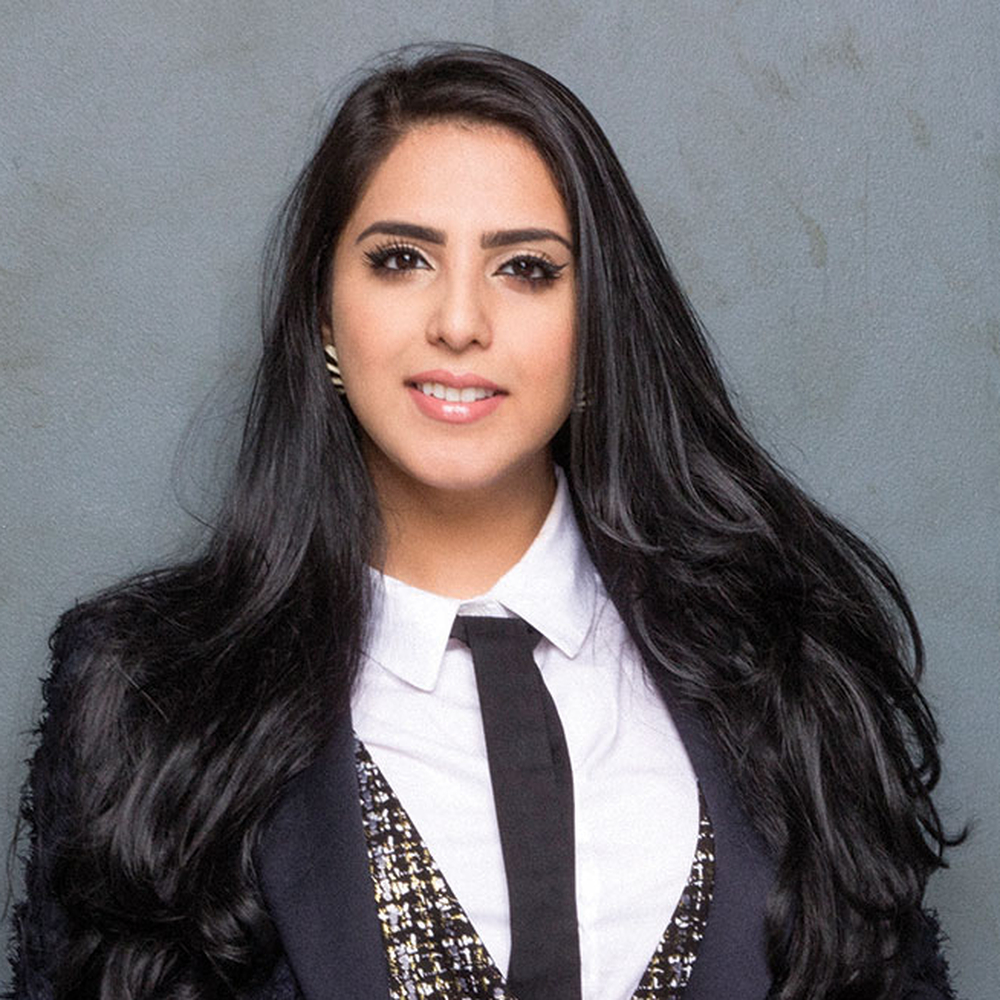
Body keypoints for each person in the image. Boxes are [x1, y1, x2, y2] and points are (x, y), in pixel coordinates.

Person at [8, 44, 959, 1000]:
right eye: (401, 260)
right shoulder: (150, 691)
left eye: (527, 269)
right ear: (324, 316)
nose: (459, 321)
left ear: (598, 323)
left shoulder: (791, 666)